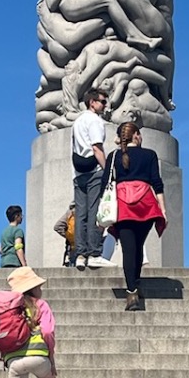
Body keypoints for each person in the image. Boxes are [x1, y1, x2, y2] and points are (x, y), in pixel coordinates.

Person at [101, 121, 167, 312]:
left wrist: (102, 210)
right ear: (136, 135)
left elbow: (105, 183)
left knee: (128, 249)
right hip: (145, 204)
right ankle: (136, 283)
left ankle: (131, 292)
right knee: (138, 246)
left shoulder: (114, 156)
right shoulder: (150, 155)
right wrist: (163, 209)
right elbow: (157, 182)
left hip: (123, 205)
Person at [69, 89, 109, 269]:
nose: (105, 105)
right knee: (94, 212)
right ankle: (93, 253)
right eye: (102, 101)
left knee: (80, 215)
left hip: (78, 173)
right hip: (94, 171)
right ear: (92, 102)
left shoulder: (77, 121)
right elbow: (97, 148)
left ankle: (80, 254)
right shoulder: (95, 121)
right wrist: (108, 170)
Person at [0, 205, 26, 271]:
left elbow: (0, 250)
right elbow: (18, 247)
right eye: (21, 215)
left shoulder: (4, 232)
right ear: (16, 216)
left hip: (4, 263)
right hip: (14, 262)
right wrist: (24, 264)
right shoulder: (18, 231)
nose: (22, 217)